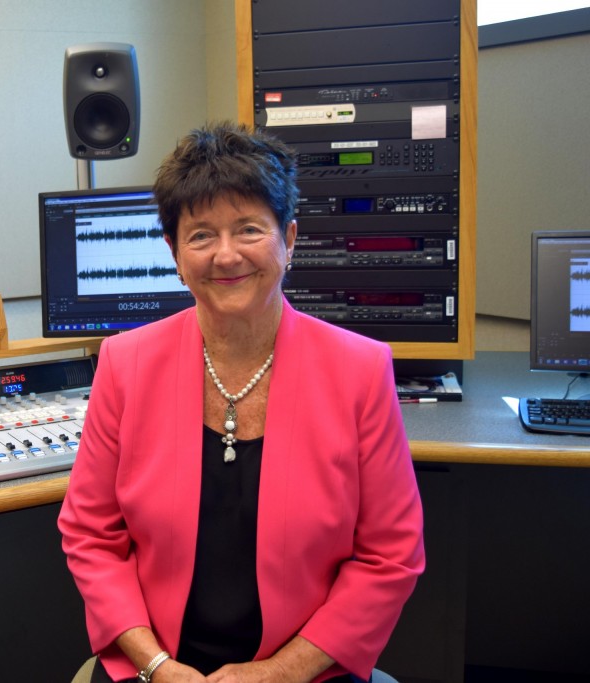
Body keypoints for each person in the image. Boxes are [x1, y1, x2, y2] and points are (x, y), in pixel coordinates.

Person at [57, 121, 425, 683]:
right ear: (175, 253)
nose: (226, 256)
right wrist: (155, 664)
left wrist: (282, 672)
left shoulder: (360, 369)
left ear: (290, 238)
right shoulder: (125, 363)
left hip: (306, 670)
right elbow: (90, 537)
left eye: (249, 229)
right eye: (201, 235)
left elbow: (389, 556)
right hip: (156, 668)